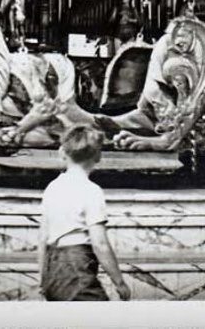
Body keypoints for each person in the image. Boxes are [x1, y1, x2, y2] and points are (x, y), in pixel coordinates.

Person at [38, 124, 131, 301]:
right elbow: (100, 243)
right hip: (77, 266)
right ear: (98, 156)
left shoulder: (53, 187)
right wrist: (119, 282)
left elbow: (42, 238)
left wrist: (42, 280)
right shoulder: (91, 191)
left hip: (53, 267)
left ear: (62, 152)